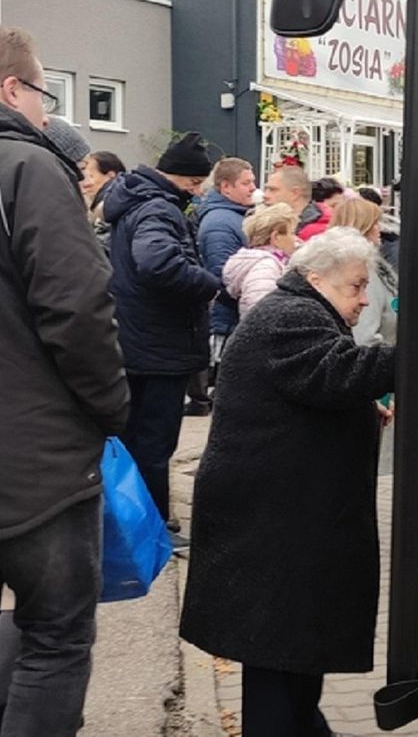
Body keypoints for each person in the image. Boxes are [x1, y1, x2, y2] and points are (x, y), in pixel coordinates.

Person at [180, 227, 395, 737]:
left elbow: (314, 389)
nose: (364, 301)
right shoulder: (292, 316)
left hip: (280, 517)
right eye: (356, 288)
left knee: (292, 654)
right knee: (277, 657)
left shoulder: (299, 310)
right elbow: (335, 373)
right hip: (271, 524)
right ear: (315, 277)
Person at [0, 25, 129, 735]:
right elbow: (77, 310)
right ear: (12, 90)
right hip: (35, 465)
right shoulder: (28, 168)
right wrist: (113, 411)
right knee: (55, 637)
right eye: (46, 95)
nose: (49, 114)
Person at [102, 131, 221, 544]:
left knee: (135, 439)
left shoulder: (134, 201)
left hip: (136, 341)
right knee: (153, 443)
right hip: (159, 347)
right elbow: (155, 263)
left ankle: (137, 524)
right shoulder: (158, 208)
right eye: (198, 184)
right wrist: (208, 284)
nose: (199, 191)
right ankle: (152, 531)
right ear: (188, 180)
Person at [186, 157, 257, 416]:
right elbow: (223, 277)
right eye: (246, 183)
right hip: (227, 320)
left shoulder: (234, 216)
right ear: (225, 187)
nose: (253, 188)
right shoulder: (220, 223)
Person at [330, 199, 398, 346]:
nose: (379, 229)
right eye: (375, 223)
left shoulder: (375, 268)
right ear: (363, 226)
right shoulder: (364, 273)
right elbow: (364, 337)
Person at [223, 203, 298, 317]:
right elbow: (262, 314)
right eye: (292, 233)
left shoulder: (269, 263)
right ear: (276, 237)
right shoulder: (265, 268)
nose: (295, 239)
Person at [263, 164, 331, 240]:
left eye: (273, 190)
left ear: (295, 193)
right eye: (266, 189)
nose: (265, 195)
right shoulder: (267, 225)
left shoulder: (318, 235)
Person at [80, 151, 126, 254]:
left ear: (111, 176)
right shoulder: (120, 201)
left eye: (91, 176)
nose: (86, 183)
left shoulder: (111, 208)